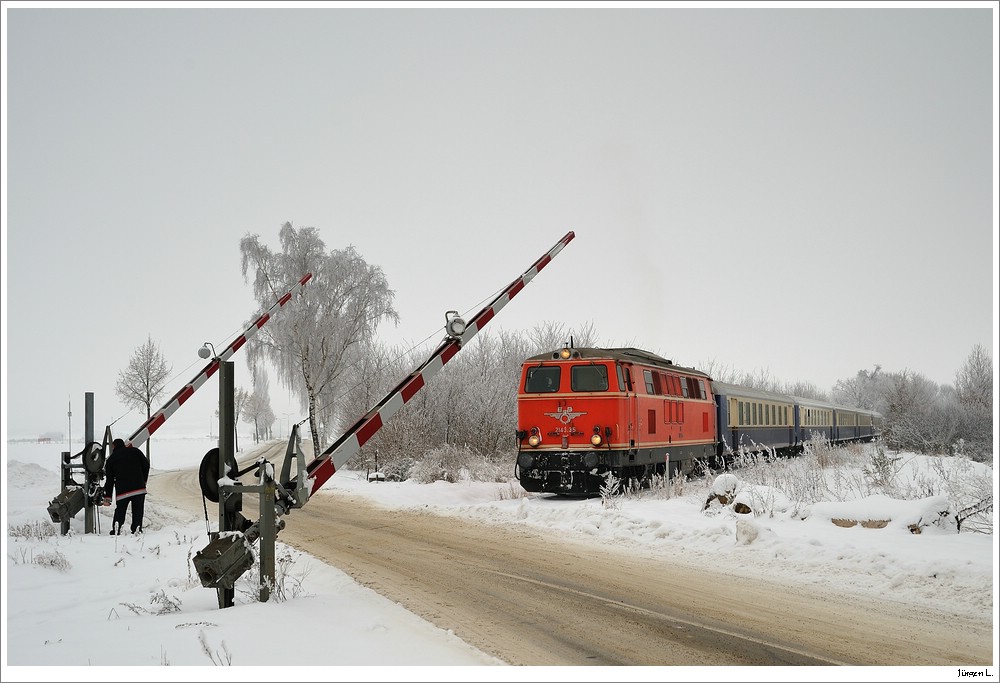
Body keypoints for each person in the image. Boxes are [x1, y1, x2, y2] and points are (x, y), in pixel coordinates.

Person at [102, 438, 150, 535]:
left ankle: (117, 529)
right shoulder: (135, 451)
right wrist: (143, 480)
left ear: (113, 446)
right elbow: (146, 465)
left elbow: (110, 480)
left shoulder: (111, 459)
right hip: (138, 489)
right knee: (138, 510)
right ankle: (137, 529)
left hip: (123, 491)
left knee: (120, 510)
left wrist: (108, 497)